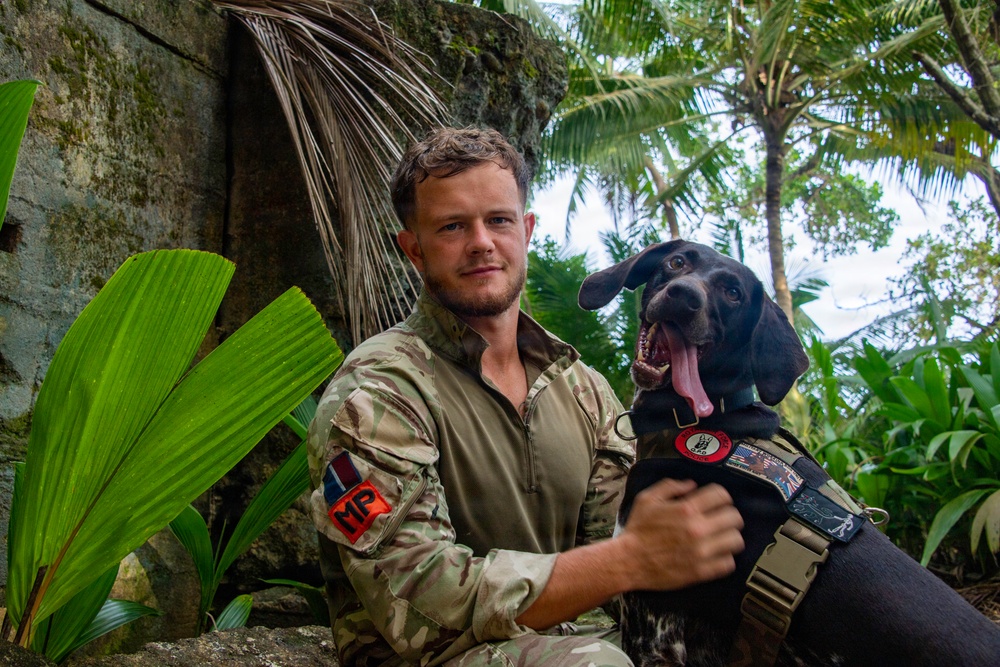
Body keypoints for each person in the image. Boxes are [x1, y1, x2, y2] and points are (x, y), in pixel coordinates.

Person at [306, 126, 745, 667]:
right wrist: (629, 559)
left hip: (579, 642)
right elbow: (423, 607)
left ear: (527, 229)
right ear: (414, 250)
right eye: (451, 226)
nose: (481, 242)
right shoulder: (376, 392)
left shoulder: (584, 391)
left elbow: (622, 547)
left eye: (498, 220)